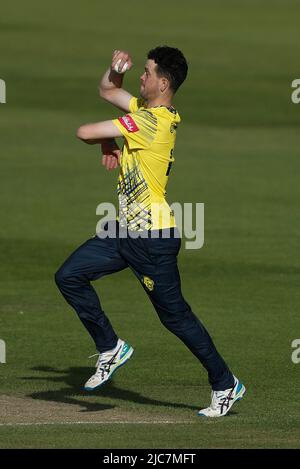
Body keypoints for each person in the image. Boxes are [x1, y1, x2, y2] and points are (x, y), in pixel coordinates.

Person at [55, 46, 246, 417]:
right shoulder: (147, 113)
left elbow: (83, 131)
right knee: (69, 276)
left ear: (163, 82)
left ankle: (226, 384)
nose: (141, 77)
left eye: (146, 72)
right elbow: (108, 92)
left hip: (151, 239)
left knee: (175, 318)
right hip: (123, 231)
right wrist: (116, 71)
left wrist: (106, 138)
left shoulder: (149, 123)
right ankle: (110, 347)